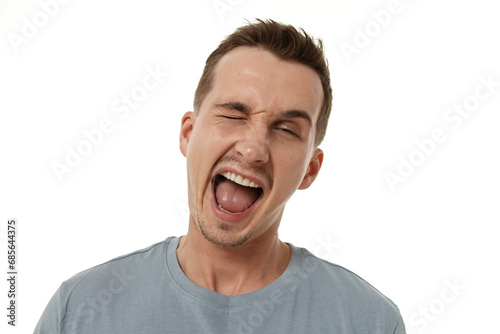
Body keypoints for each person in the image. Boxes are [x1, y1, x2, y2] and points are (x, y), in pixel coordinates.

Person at [34, 19, 406, 333]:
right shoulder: (79, 309)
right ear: (187, 133)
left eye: (287, 129)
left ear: (310, 169)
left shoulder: (368, 321)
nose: (253, 149)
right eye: (233, 114)